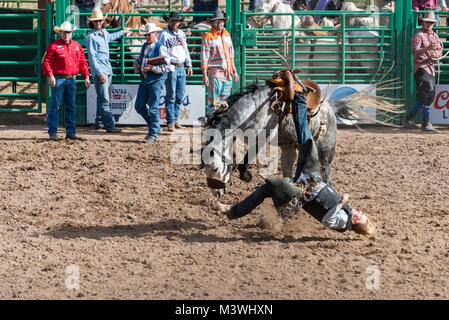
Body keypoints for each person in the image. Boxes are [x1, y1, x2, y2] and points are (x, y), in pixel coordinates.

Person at [41, 21, 91, 141]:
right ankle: (53, 133)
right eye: (64, 32)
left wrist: (86, 76)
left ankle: (70, 132)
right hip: (59, 79)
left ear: (71, 33)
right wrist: (51, 75)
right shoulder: (53, 46)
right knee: (56, 106)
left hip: (71, 79)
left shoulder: (77, 46)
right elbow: (46, 62)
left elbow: (82, 62)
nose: (66, 34)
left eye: (68, 32)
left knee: (70, 106)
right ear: (60, 33)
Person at [85, 9, 129, 133]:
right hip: (102, 71)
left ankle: (99, 121)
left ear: (103, 21)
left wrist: (122, 32)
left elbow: (112, 36)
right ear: (93, 23)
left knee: (102, 98)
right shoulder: (91, 37)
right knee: (105, 99)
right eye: (96, 21)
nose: (98, 22)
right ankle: (109, 126)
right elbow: (92, 58)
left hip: (107, 70)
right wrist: (100, 73)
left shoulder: (104, 33)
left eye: (100, 20)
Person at [404, 11, 442, 133]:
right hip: (421, 68)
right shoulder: (418, 35)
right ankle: (425, 123)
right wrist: (428, 49)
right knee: (428, 93)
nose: (429, 24)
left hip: (430, 67)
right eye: (427, 22)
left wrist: (436, 54)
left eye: (431, 22)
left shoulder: (435, 36)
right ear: (423, 22)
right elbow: (415, 52)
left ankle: (409, 119)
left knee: (423, 95)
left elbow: (439, 52)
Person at [133, 23, 171, 144]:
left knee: (153, 108)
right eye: (146, 35)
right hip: (145, 78)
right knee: (139, 105)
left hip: (156, 80)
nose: (147, 37)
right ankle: (154, 126)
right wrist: (137, 62)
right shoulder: (145, 45)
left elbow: (167, 66)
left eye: (149, 35)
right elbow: (141, 59)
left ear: (155, 34)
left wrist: (153, 69)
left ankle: (153, 133)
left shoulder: (160, 47)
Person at [158, 11, 193, 131]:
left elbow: (186, 50)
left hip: (181, 66)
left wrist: (189, 65)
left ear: (179, 22)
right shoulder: (163, 35)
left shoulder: (182, 34)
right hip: (171, 67)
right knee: (171, 95)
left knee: (179, 95)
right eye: (172, 20)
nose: (174, 23)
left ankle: (175, 119)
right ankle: (170, 121)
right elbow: (161, 52)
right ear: (168, 21)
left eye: (176, 21)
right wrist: (165, 68)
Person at [201, 9, 239, 114]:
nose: (219, 23)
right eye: (217, 21)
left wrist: (234, 71)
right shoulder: (208, 36)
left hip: (228, 73)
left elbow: (231, 55)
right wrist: (204, 75)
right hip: (215, 73)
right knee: (214, 101)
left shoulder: (227, 35)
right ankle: (211, 123)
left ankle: (220, 124)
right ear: (213, 22)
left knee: (224, 102)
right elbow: (204, 57)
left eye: (221, 21)